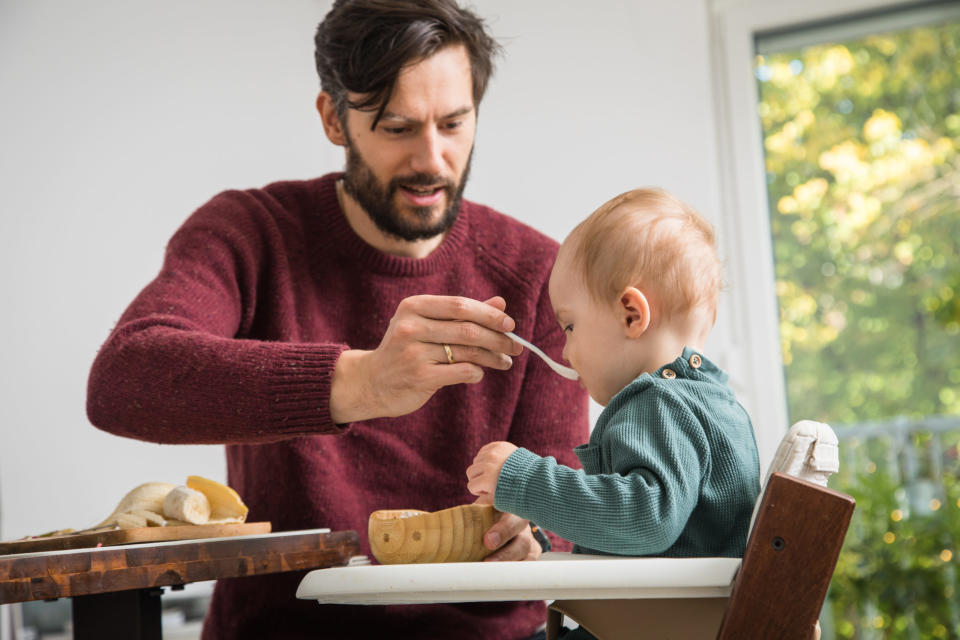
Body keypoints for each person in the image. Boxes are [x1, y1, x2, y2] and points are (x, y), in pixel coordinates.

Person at [85, 1, 589, 638]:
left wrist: (538, 532)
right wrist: (365, 382)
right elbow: (124, 380)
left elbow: (567, 498)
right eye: (397, 127)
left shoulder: (539, 272)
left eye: (455, 124)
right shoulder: (251, 233)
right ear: (334, 118)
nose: (432, 160)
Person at [466, 188, 761, 639]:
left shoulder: (659, 403)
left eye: (569, 325)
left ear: (630, 315)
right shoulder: (717, 404)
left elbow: (647, 517)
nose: (564, 349)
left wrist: (521, 480)